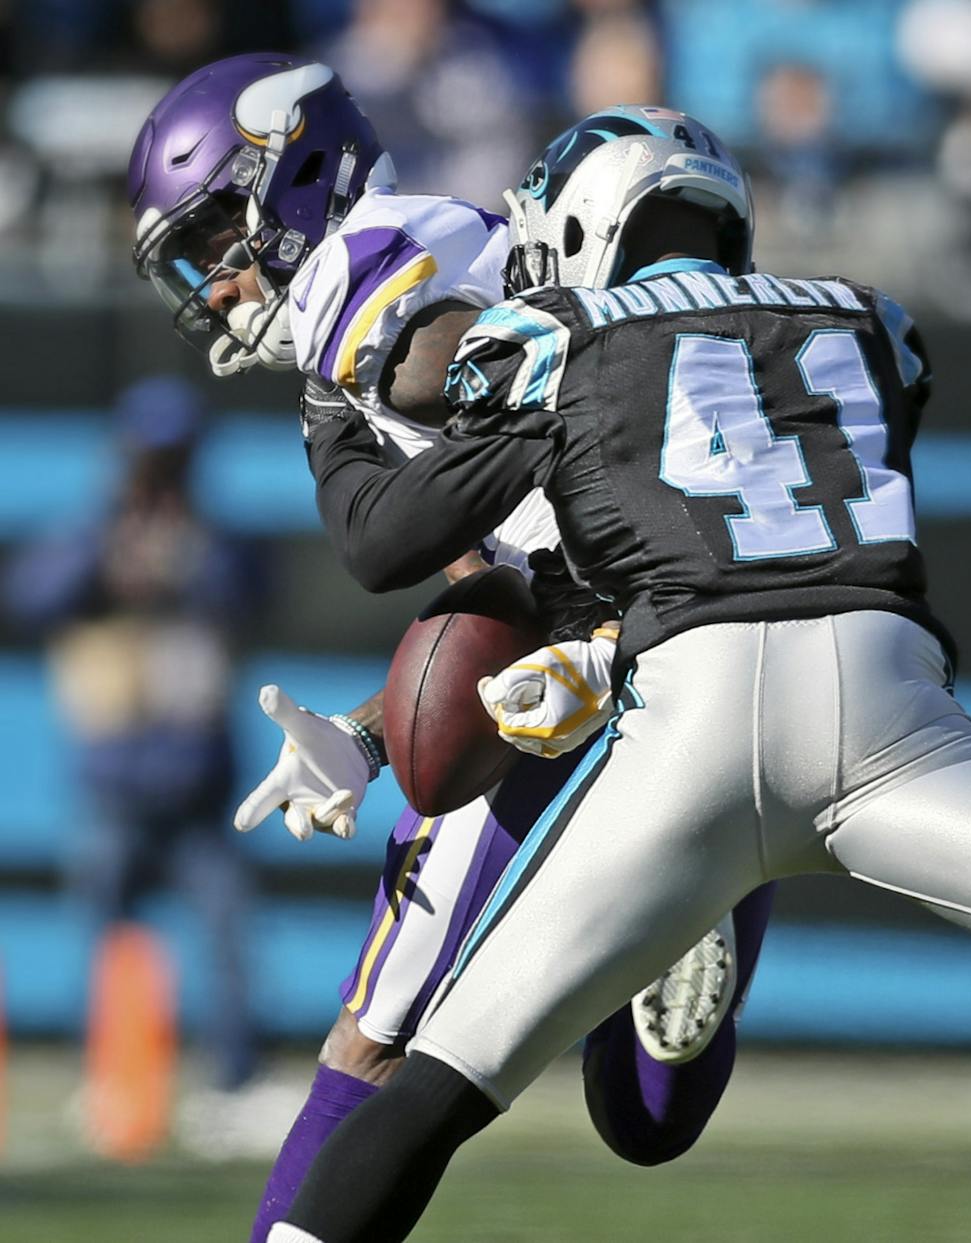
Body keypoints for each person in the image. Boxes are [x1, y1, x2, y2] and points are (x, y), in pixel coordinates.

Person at [265, 107, 971, 1242]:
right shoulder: (873, 322)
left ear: (577, 226)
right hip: (884, 680)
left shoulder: (555, 334)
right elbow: (728, 483)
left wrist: (328, 401)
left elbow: (388, 537)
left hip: (697, 709)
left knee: (436, 1084)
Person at [126, 56, 772, 1241]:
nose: (212, 286)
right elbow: (495, 575)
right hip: (707, 649)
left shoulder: (367, 279)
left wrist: (600, 629)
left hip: (608, 660)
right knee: (643, 1114)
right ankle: (689, 919)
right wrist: (374, 737)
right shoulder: (440, 252)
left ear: (290, 173)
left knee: (374, 1040)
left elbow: (516, 429)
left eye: (215, 235)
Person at [3, 376, 262, 1105]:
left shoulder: (213, 540)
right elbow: (34, 595)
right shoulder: (88, 534)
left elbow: (249, 594)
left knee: (226, 937)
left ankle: (233, 1078)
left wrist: (186, 553)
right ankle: (111, 1075)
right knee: (108, 934)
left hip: (200, 774)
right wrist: (108, 556)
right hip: (114, 772)